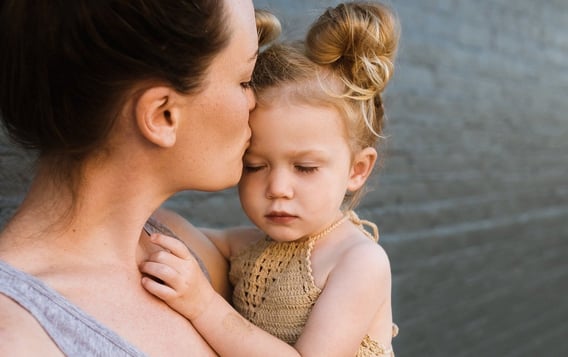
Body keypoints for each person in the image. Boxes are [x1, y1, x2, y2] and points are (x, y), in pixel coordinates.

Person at [0, 0, 279, 355]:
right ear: (163, 115)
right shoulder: (18, 337)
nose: (255, 102)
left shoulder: (180, 247)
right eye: (245, 80)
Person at [140, 2, 400, 356]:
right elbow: (183, 234)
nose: (277, 188)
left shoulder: (358, 261)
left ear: (357, 169)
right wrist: (140, 210)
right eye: (255, 166)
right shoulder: (250, 246)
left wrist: (202, 305)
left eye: (305, 168)